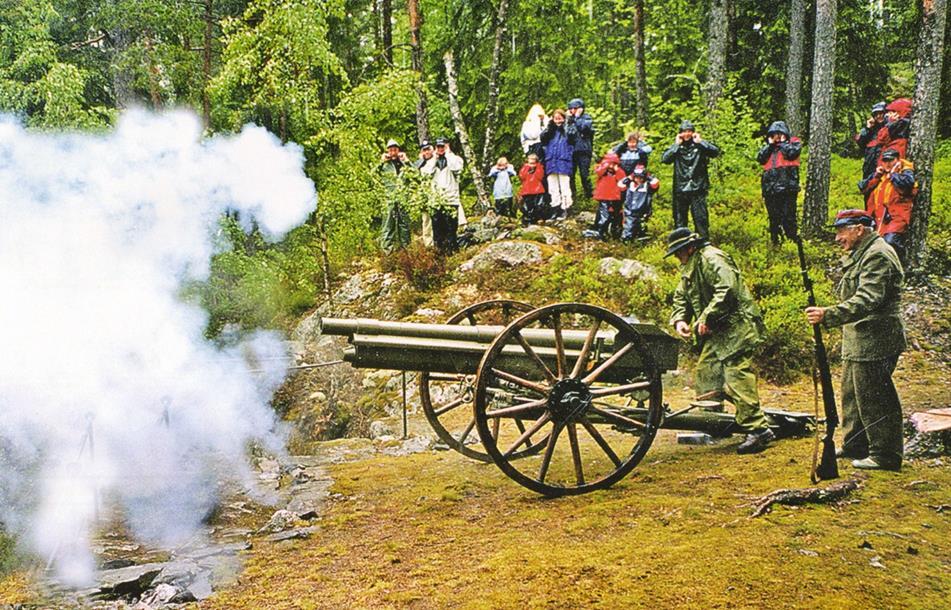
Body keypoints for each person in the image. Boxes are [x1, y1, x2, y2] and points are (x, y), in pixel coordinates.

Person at [804, 210, 906, 471]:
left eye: (841, 231)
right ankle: (855, 445)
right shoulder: (862, 254)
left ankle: (885, 454)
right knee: (853, 394)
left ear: (859, 229)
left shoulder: (878, 255)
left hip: (876, 337)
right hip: (859, 336)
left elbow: (868, 299)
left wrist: (830, 314)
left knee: (875, 396)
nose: (837, 238)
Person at [666, 227, 774, 454]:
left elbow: (727, 289)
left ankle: (758, 430)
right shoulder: (691, 265)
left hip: (737, 327)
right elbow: (681, 295)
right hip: (718, 331)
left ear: (690, 247)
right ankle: (711, 421)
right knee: (707, 371)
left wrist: (706, 316)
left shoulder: (712, 258)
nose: (677, 257)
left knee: (737, 375)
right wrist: (680, 320)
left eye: (678, 252)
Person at [661, 120, 720, 238]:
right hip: (680, 189)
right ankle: (681, 245)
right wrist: (676, 145)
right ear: (680, 134)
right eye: (684, 132)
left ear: (693, 132)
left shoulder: (700, 145)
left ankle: (703, 244)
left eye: (689, 131)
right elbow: (665, 159)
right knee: (680, 220)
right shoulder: (677, 147)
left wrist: (701, 142)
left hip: (698, 188)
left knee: (701, 219)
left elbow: (715, 152)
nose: (687, 134)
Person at [859, 148, 915, 266]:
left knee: (890, 242)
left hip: (897, 217)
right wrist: (876, 175)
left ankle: (897, 268)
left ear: (898, 160)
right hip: (878, 219)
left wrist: (893, 174)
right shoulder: (880, 175)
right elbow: (863, 187)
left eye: (891, 160)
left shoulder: (905, 172)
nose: (888, 164)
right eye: (885, 161)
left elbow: (907, 185)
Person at [757, 120, 802, 246]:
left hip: (787, 188)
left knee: (789, 217)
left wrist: (783, 143)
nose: (776, 137)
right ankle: (776, 243)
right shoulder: (768, 148)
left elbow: (792, 153)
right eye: (774, 134)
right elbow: (760, 158)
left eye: (779, 134)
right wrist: (770, 145)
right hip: (770, 189)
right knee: (773, 218)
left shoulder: (794, 143)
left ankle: (793, 241)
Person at [420, 137, 465, 253]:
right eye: (438, 147)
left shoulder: (455, 159)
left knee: (451, 230)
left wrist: (448, 153)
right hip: (436, 202)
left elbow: (457, 168)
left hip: (451, 200)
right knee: (438, 232)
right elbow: (425, 173)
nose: (440, 149)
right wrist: (435, 157)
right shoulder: (432, 162)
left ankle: (452, 255)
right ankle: (440, 256)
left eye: (442, 146)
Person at [540, 109, 577, 220]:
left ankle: (565, 208)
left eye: (560, 118)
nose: (558, 121)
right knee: (553, 187)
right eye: (555, 118)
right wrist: (549, 125)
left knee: (565, 186)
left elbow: (571, 135)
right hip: (551, 160)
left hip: (563, 160)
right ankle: (555, 208)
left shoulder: (569, 128)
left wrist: (567, 123)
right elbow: (543, 138)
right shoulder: (551, 131)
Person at [378, 139, 411, 252]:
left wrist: (407, 161)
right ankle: (387, 252)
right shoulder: (384, 165)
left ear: (398, 150)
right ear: (387, 151)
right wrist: (380, 162)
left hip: (403, 198)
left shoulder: (403, 163)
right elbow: (372, 175)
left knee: (404, 225)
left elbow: (415, 174)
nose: (393, 152)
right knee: (388, 225)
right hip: (389, 198)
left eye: (395, 149)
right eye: (391, 150)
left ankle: (406, 250)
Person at [586, 151, 626, 240]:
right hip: (604, 197)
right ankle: (601, 231)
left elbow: (623, 181)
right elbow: (598, 172)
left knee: (616, 215)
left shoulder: (619, 171)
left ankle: (615, 232)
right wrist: (605, 166)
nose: (611, 166)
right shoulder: (602, 169)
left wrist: (616, 170)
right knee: (604, 215)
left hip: (615, 197)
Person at [618, 167, 659, 241]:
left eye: (641, 178)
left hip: (643, 212)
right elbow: (620, 184)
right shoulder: (630, 185)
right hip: (630, 212)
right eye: (637, 177)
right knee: (628, 232)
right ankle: (627, 242)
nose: (639, 180)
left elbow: (655, 183)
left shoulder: (647, 186)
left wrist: (648, 177)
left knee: (642, 232)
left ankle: (639, 243)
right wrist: (629, 178)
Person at [567, 98, 595, 199]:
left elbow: (584, 128)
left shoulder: (587, 118)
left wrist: (577, 118)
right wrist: (570, 120)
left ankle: (589, 197)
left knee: (584, 175)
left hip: (583, 151)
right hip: (571, 151)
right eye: (571, 108)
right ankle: (573, 197)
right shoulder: (569, 121)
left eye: (575, 108)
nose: (572, 110)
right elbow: (568, 133)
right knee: (570, 175)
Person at [854, 101, 887, 182]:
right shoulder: (869, 131)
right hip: (869, 168)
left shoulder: (890, 128)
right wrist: (868, 128)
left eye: (881, 113)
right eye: (876, 114)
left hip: (883, 168)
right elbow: (861, 144)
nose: (879, 116)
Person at [413, 139, 436, 247]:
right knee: (426, 222)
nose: (426, 152)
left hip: (436, 196)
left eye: (428, 149)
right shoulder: (420, 163)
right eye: (424, 150)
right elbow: (412, 173)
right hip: (425, 197)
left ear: (432, 150)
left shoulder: (436, 160)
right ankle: (429, 245)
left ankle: (439, 244)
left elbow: (429, 172)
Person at [518, 153, 546, 227]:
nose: (531, 163)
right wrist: (527, 167)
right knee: (527, 207)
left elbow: (540, 176)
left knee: (539, 206)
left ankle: (539, 219)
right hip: (527, 190)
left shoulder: (539, 167)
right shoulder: (525, 167)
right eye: (530, 161)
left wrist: (536, 167)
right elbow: (522, 176)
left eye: (533, 161)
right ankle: (528, 220)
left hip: (537, 190)